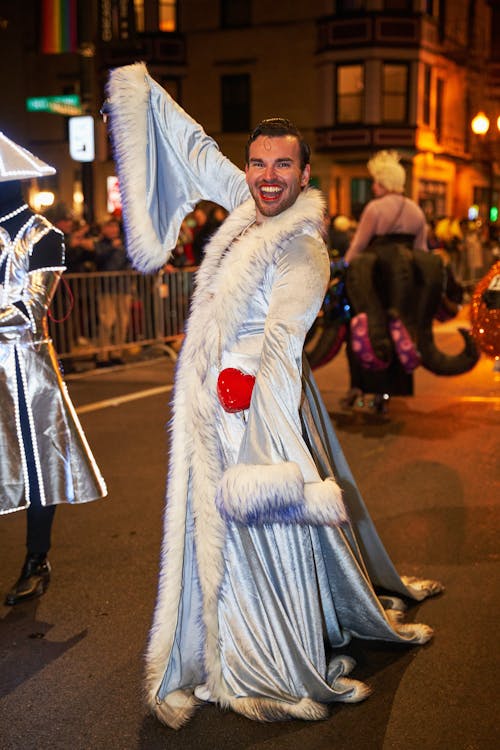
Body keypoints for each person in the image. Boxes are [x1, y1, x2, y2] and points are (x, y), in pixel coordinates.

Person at [106, 63, 443, 729]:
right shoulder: (250, 203)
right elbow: (201, 155)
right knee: (209, 534)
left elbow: (285, 344)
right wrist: (143, 93)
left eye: (281, 166)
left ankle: (261, 653)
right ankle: (214, 637)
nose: (266, 176)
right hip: (213, 400)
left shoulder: (303, 250)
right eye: (258, 163)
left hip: (249, 406)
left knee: (257, 530)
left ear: (305, 174)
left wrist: (249, 403)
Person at [0, 131, 107, 605]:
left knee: (38, 464)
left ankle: (35, 557)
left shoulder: (46, 236)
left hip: (25, 366)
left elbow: (29, 308)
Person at [341, 150, 430, 413]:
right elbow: (422, 250)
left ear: (384, 182)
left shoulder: (374, 208)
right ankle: (389, 391)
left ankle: (363, 387)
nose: (372, 186)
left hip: (374, 281)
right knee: (398, 333)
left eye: (376, 181)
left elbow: (357, 246)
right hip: (403, 283)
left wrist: (344, 268)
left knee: (365, 331)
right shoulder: (415, 210)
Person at [93, 217, 132, 366]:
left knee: (122, 321)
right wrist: (112, 249)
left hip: (123, 287)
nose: (113, 230)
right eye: (109, 227)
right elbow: (100, 260)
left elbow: (131, 260)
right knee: (107, 321)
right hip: (106, 287)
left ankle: (117, 353)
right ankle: (103, 354)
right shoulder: (101, 244)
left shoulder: (125, 243)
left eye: (115, 227)